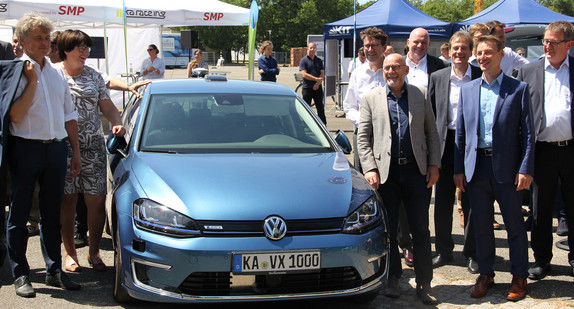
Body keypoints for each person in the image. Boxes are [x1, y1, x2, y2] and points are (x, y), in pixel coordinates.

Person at [7, 12, 82, 297]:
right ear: (22, 40)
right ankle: (21, 274)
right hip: (25, 147)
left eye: (47, 38)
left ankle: (53, 271)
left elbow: (69, 115)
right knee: (20, 212)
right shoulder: (15, 71)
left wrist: (74, 151)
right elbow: (15, 115)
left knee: (52, 213)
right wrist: (32, 79)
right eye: (38, 38)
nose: (44, 43)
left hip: (55, 148)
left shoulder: (56, 73)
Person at [454, 35, 534, 301]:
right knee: (482, 227)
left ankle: (519, 275)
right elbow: (461, 135)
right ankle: (486, 273)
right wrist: (458, 169)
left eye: (489, 52)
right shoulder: (468, 89)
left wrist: (525, 168)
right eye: (480, 52)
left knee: (514, 225)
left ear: (501, 54)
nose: (483, 57)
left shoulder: (518, 89)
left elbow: (528, 135)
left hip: (507, 169)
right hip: (476, 168)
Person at [358, 53, 441, 305]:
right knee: (390, 228)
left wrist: (434, 164)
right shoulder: (370, 98)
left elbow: (431, 133)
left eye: (396, 67)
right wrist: (370, 168)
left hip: (417, 172)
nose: (391, 71)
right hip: (386, 175)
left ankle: (424, 282)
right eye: (387, 68)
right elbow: (363, 138)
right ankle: (393, 278)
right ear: (382, 71)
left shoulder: (420, 94)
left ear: (405, 69)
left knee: (420, 229)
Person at [57, 29, 126, 273]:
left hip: (93, 147)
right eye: (81, 48)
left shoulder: (94, 76)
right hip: (62, 147)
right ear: (66, 50)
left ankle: (94, 252)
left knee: (96, 201)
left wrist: (116, 121)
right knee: (67, 200)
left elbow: (108, 108)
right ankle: (69, 253)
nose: (86, 52)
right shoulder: (54, 75)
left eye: (87, 48)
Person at [516, 20, 574, 280]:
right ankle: (541, 260)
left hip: (571, 150)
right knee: (540, 208)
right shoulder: (529, 72)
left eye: (554, 42)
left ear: (569, 45)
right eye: (545, 41)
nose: (547, 46)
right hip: (542, 151)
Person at [428, 31, 482, 273]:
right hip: (445, 143)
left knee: (472, 199)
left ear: (471, 51)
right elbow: (430, 116)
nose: (459, 52)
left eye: (464, 48)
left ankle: (471, 252)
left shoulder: (481, 76)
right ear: (448, 51)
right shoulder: (438, 77)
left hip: (472, 144)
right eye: (455, 48)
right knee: (443, 201)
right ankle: (443, 250)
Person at [343, 27, 388, 174]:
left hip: (387, 135)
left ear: (384, 47)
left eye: (374, 45)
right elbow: (349, 106)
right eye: (366, 46)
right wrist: (363, 122)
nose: (369, 49)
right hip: (363, 135)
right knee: (364, 178)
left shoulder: (392, 72)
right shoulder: (357, 74)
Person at [299, 42, 326, 124]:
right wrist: (316, 79)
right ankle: (305, 125)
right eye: (311, 48)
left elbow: (322, 73)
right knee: (306, 108)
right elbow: (304, 74)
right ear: (307, 49)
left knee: (320, 107)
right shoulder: (303, 60)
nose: (312, 49)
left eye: (314, 48)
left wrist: (317, 83)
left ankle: (323, 125)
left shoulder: (318, 60)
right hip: (307, 88)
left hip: (317, 88)